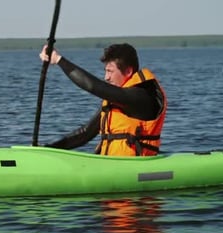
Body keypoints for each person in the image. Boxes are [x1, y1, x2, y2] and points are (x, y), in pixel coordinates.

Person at [39, 43, 167, 156]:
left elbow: (93, 86)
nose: (106, 77)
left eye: (110, 71)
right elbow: (85, 133)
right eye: (105, 71)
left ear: (128, 71)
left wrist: (58, 60)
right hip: (110, 164)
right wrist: (48, 149)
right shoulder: (116, 101)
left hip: (133, 168)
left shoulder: (140, 97)